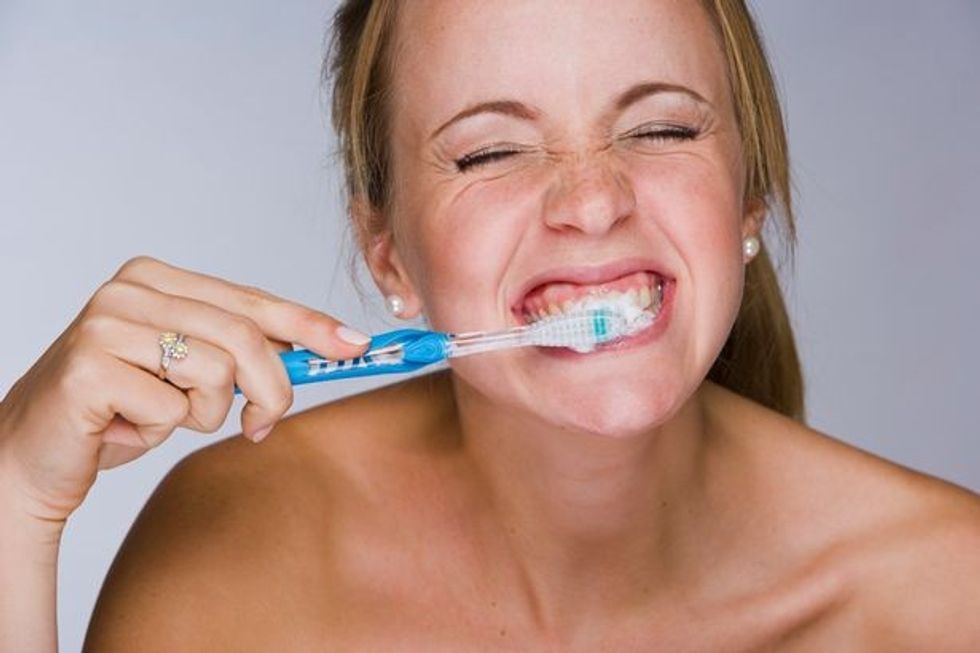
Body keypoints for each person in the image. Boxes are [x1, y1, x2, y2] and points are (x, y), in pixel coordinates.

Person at [2, 0, 979, 650]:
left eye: (661, 129)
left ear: (747, 199)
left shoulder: (948, 593)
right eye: (490, 152)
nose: (591, 201)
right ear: (389, 254)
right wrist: (13, 502)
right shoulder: (236, 552)